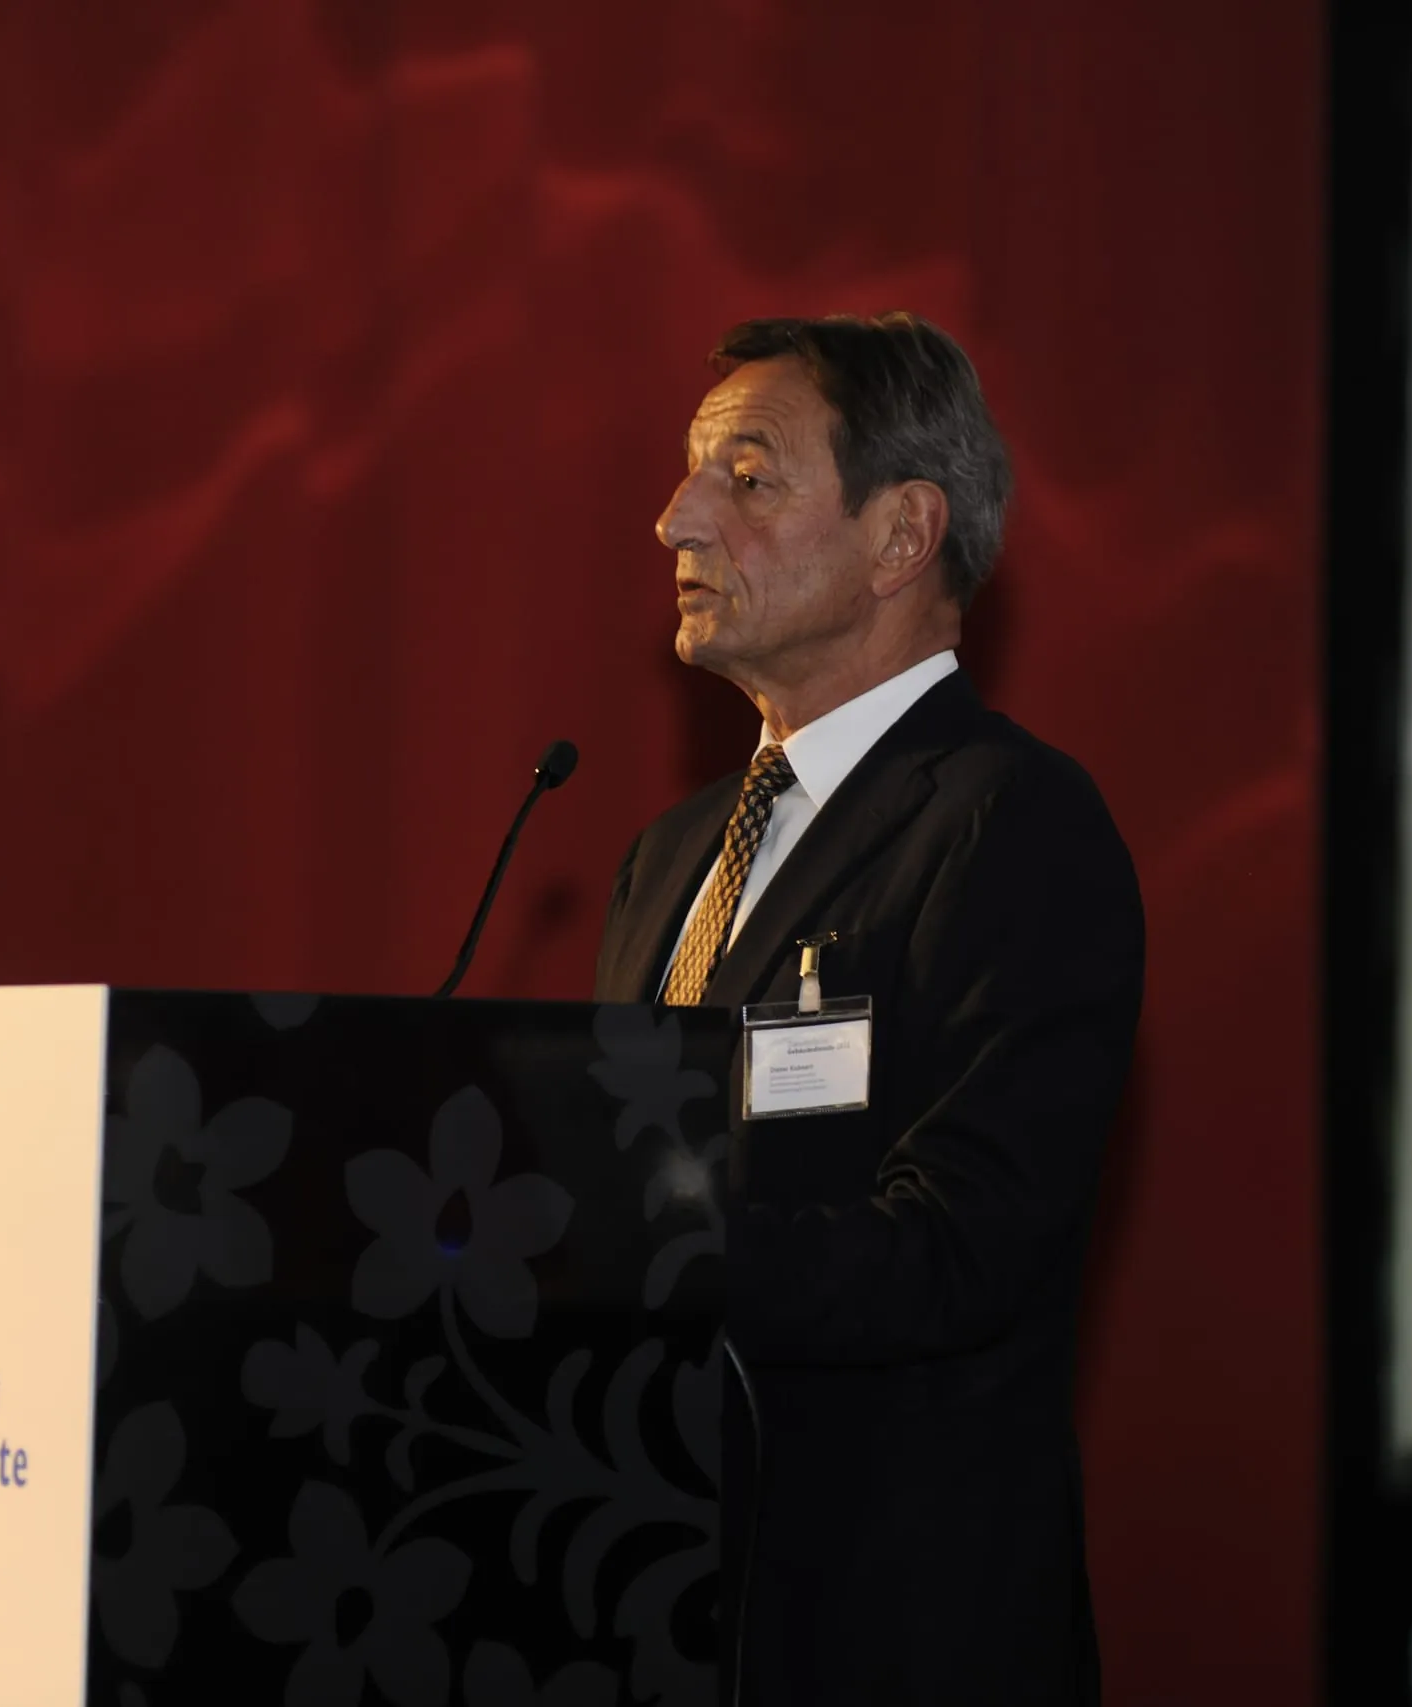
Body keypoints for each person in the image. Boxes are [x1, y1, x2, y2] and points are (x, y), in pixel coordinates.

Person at [595, 314, 1145, 1704]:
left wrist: (623, 1245)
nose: (677, 518)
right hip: (657, 1608)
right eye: (690, 475)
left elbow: (961, 1251)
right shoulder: (669, 858)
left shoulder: (1011, 825)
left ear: (903, 534)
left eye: (747, 477)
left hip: (889, 1633)